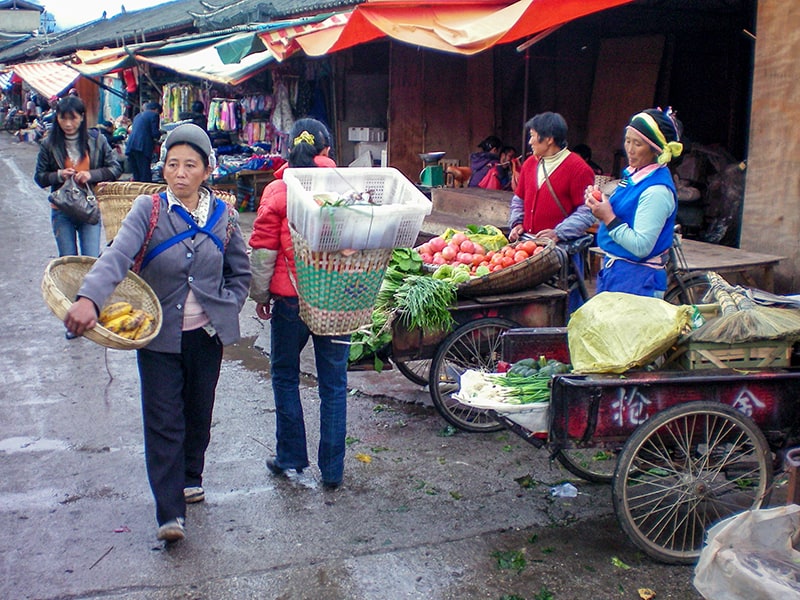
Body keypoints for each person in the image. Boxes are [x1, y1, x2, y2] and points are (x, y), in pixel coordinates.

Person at [63, 123, 251, 543]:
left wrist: (230, 305)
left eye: (190, 165)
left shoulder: (224, 216)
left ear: (206, 171)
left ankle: (190, 474)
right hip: (158, 337)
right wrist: (89, 299)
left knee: (198, 413)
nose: (180, 173)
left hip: (206, 337)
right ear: (162, 168)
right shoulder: (147, 210)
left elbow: (240, 271)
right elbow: (117, 257)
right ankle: (170, 512)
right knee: (163, 418)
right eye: (172, 164)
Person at [248, 118, 349, 491]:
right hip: (338, 300)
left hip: (290, 300)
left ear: (290, 149)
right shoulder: (346, 188)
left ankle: (290, 457)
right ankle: (333, 471)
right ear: (325, 151)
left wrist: (261, 296)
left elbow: (262, 250)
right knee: (334, 384)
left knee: (286, 375)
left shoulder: (278, 190)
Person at [586, 108, 683, 298]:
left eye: (637, 144)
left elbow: (641, 246)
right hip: (618, 274)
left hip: (638, 282)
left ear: (655, 150)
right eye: (627, 140)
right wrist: (598, 203)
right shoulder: (634, 175)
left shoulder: (656, 191)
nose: (629, 149)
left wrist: (608, 216)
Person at [507, 112, 596, 311]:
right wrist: (517, 223)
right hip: (528, 248)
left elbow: (587, 210)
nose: (530, 141)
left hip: (561, 253)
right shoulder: (530, 164)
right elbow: (519, 199)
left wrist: (559, 233)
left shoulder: (578, 168)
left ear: (548, 139)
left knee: (563, 308)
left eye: (532, 135)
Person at [34, 96, 122, 258]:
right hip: (61, 209)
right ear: (57, 118)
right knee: (68, 262)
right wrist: (59, 175)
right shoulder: (49, 144)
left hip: (89, 208)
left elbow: (115, 168)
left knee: (91, 260)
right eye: (63, 118)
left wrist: (91, 175)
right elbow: (39, 178)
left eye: (73, 118)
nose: (68, 124)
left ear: (82, 117)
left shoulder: (97, 140)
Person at [125, 101, 162, 182]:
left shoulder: (137, 116)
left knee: (136, 175)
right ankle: (145, 193)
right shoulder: (154, 115)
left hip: (130, 146)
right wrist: (161, 133)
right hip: (142, 147)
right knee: (145, 174)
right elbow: (154, 133)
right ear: (156, 110)